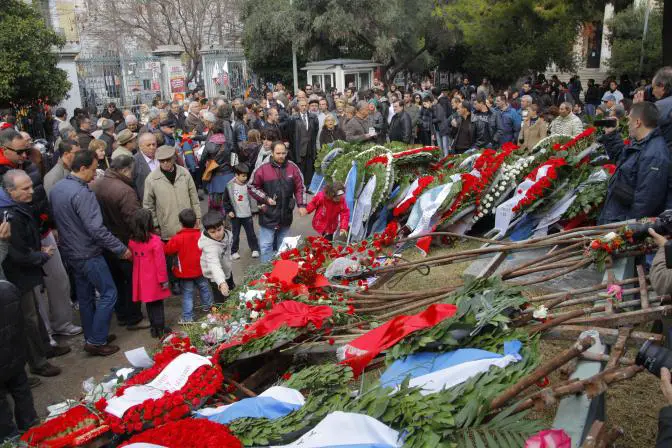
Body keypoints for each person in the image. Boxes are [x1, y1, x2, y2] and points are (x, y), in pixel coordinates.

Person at [50, 150, 132, 356]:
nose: (95, 175)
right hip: (88, 252)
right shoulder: (82, 194)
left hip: (71, 251)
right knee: (109, 293)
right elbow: (96, 229)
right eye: (93, 170)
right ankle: (96, 340)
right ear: (83, 168)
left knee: (85, 296)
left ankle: (93, 334)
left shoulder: (59, 188)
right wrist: (120, 248)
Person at [0, 170, 63, 376]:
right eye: (25, 189)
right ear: (10, 192)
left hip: (25, 272)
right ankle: (38, 362)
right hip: (17, 276)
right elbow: (16, 253)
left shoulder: (17, 208)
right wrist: (39, 255)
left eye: (31, 186)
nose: (31, 192)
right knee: (29, 319)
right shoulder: (9, 215)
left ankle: (45, 348)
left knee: (34, 313)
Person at [92, 155, 149, 330]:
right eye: (132, 172)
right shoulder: (124, 191)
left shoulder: (98, 184)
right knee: (131, 280)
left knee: (116, 280)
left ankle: (122, 314)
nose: (133, 175)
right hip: (123, 242)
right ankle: (133, 317)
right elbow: (133, 219)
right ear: (124, 170)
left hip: (105, 241)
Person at [597, 102, 670, 224]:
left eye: (629, 119)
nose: (627, 123)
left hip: (622, 225)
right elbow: (622, 159)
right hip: (616, 216)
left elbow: (645, 203)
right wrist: (611, 134)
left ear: (638, 122)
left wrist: (623, 232)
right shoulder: (641, 143)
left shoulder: (654, 155)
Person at [0, 218, 39, 441]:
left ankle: (12, 438)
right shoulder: (8, 289)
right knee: (20, 387)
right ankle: (31, 427)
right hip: (13, 351)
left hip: (9, 349)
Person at [248, 142, 306, 263]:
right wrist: (265, 198)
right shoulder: (262, 168)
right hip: (268, 213)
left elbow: (300, 187)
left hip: (286, 214)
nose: (281, 156)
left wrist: (301, 205)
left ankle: (281, 272)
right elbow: (252, 186)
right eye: (278, 153)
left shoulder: (293, 167)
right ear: (272, 152)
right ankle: (265, 272)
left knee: (284, 246)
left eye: (283, 153)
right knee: (266, 246)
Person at [126, 208, 171, 338]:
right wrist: (163, 280)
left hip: (140, 278)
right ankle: (161, 328)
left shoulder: (132, 241)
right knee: (157, 304)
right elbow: (161, 263)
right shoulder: (156, 241)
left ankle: (154, 328)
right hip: (154, 278)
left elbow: (131, 257)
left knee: (149, 304)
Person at [143, 145, 201, 241]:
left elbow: (194, 197)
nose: (165, 163)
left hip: (188, 225)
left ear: (174, 158)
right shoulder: (151, 179)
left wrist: (198, 215)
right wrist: (155, 225)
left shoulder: (184, 173)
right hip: (167, 228)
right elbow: (148, 205)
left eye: (168, 160)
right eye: (162, 161)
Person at [164, 209, 213, 323]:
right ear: (196, 222)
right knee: (204, 287)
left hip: (185, 273)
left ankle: (188, 317)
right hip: (200, 269)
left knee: (187, 294)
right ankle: (209, 308)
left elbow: (168, 250)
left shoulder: (177, 238)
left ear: (181, 223)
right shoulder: (200, 235)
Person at [223, 163, 260, 260]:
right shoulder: (230, 186)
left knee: (251, 233)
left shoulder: (249, 185)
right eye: (243, 176)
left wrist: (255, 210)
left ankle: (254, 249)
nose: (245, 178)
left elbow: (254, 198)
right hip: (236, 216)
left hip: (247, 215)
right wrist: (229, 211)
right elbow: (225, 200)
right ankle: (234, 251)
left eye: (246, 175)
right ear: (236, 175)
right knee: (235, 234)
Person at [198, 210, 235, 303]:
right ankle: (220, 314)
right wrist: (221, 283)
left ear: (223, 224)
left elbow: (227, 220)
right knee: (220, 299)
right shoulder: (210, 247)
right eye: (213, 232)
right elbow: (214, 265)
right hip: (215, 277)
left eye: (219, 230)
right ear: (207, 231)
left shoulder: (227, 230)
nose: (217, 234)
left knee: (232, 290)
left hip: (226, 268)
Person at [283, 99, 319, 185]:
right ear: (298, 107)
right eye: (302, 106)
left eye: (305, 105)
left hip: (310, 148)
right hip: (299, 149)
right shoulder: (293, 118)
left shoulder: (313, 117)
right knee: (300, 169)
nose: (304, 107)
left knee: (310, 168)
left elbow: (315, 131)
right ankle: (301, 186)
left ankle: (309, 186)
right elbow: (290, 134)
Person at [133, 132, 158, 201]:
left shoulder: (161, 156)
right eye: (148, 145)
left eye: (154, 144)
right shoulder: (134, 162)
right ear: (140, 147)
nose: (152, 147)